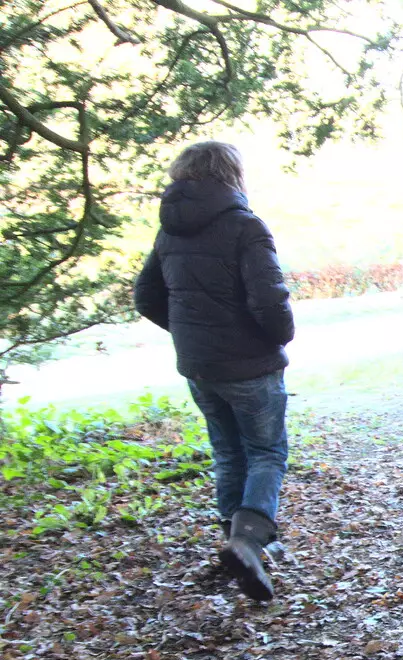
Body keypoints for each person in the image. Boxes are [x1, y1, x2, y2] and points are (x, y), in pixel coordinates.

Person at [134, 141, 293, 602]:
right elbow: (269, 300)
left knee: (228, 454)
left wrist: (192, 334)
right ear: (231, 175)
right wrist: (278, 336)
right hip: (250, 366)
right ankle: (247, 543)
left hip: (199, 367)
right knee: (266, 452)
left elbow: (146, 297)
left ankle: (235, 544)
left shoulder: (169, 233)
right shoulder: (245, 226)